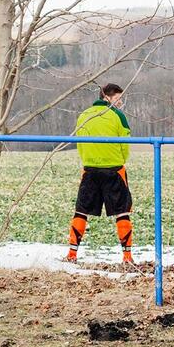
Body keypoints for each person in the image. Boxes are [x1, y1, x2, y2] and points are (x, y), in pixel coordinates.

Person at [66, 83, 134, 265]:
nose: (120, 103)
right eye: (118, 99)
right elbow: (125, 143)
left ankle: (72, 254)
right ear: (108, 97)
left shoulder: (83, 115)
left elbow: (79, 143)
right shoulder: (118, 116)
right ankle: (127, 258)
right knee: (122, 212)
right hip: (114, 169)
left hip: (89, 169)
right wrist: (120, 159)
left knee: (81, 211)